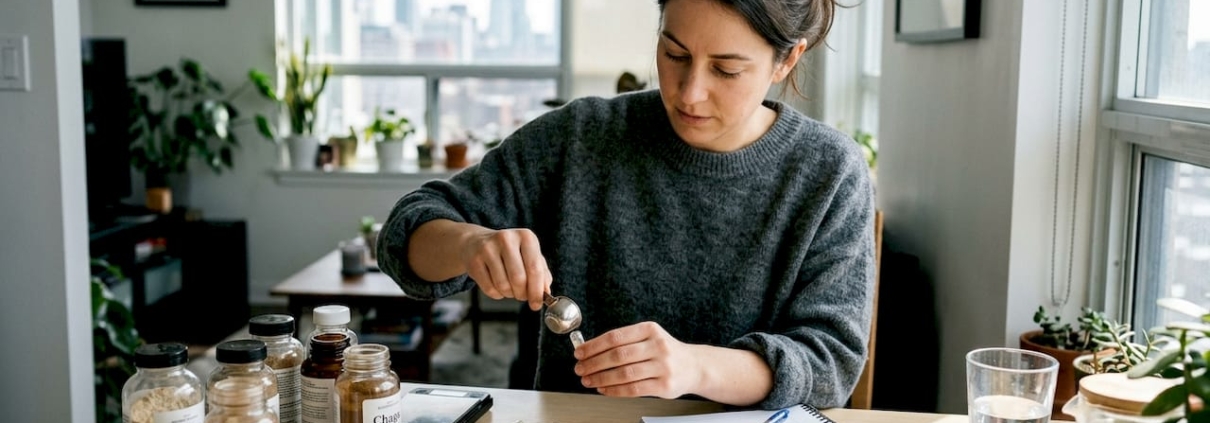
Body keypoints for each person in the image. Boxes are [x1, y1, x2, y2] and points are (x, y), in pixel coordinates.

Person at [378, 0, 873, 409]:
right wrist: (470, 244)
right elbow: (405, 235)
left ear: (786, 60)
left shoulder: (830, 173)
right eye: (674, 53)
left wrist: (694, 367)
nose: (690, 92)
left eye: (726, 69)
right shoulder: (579, 138)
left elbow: (831, 363)